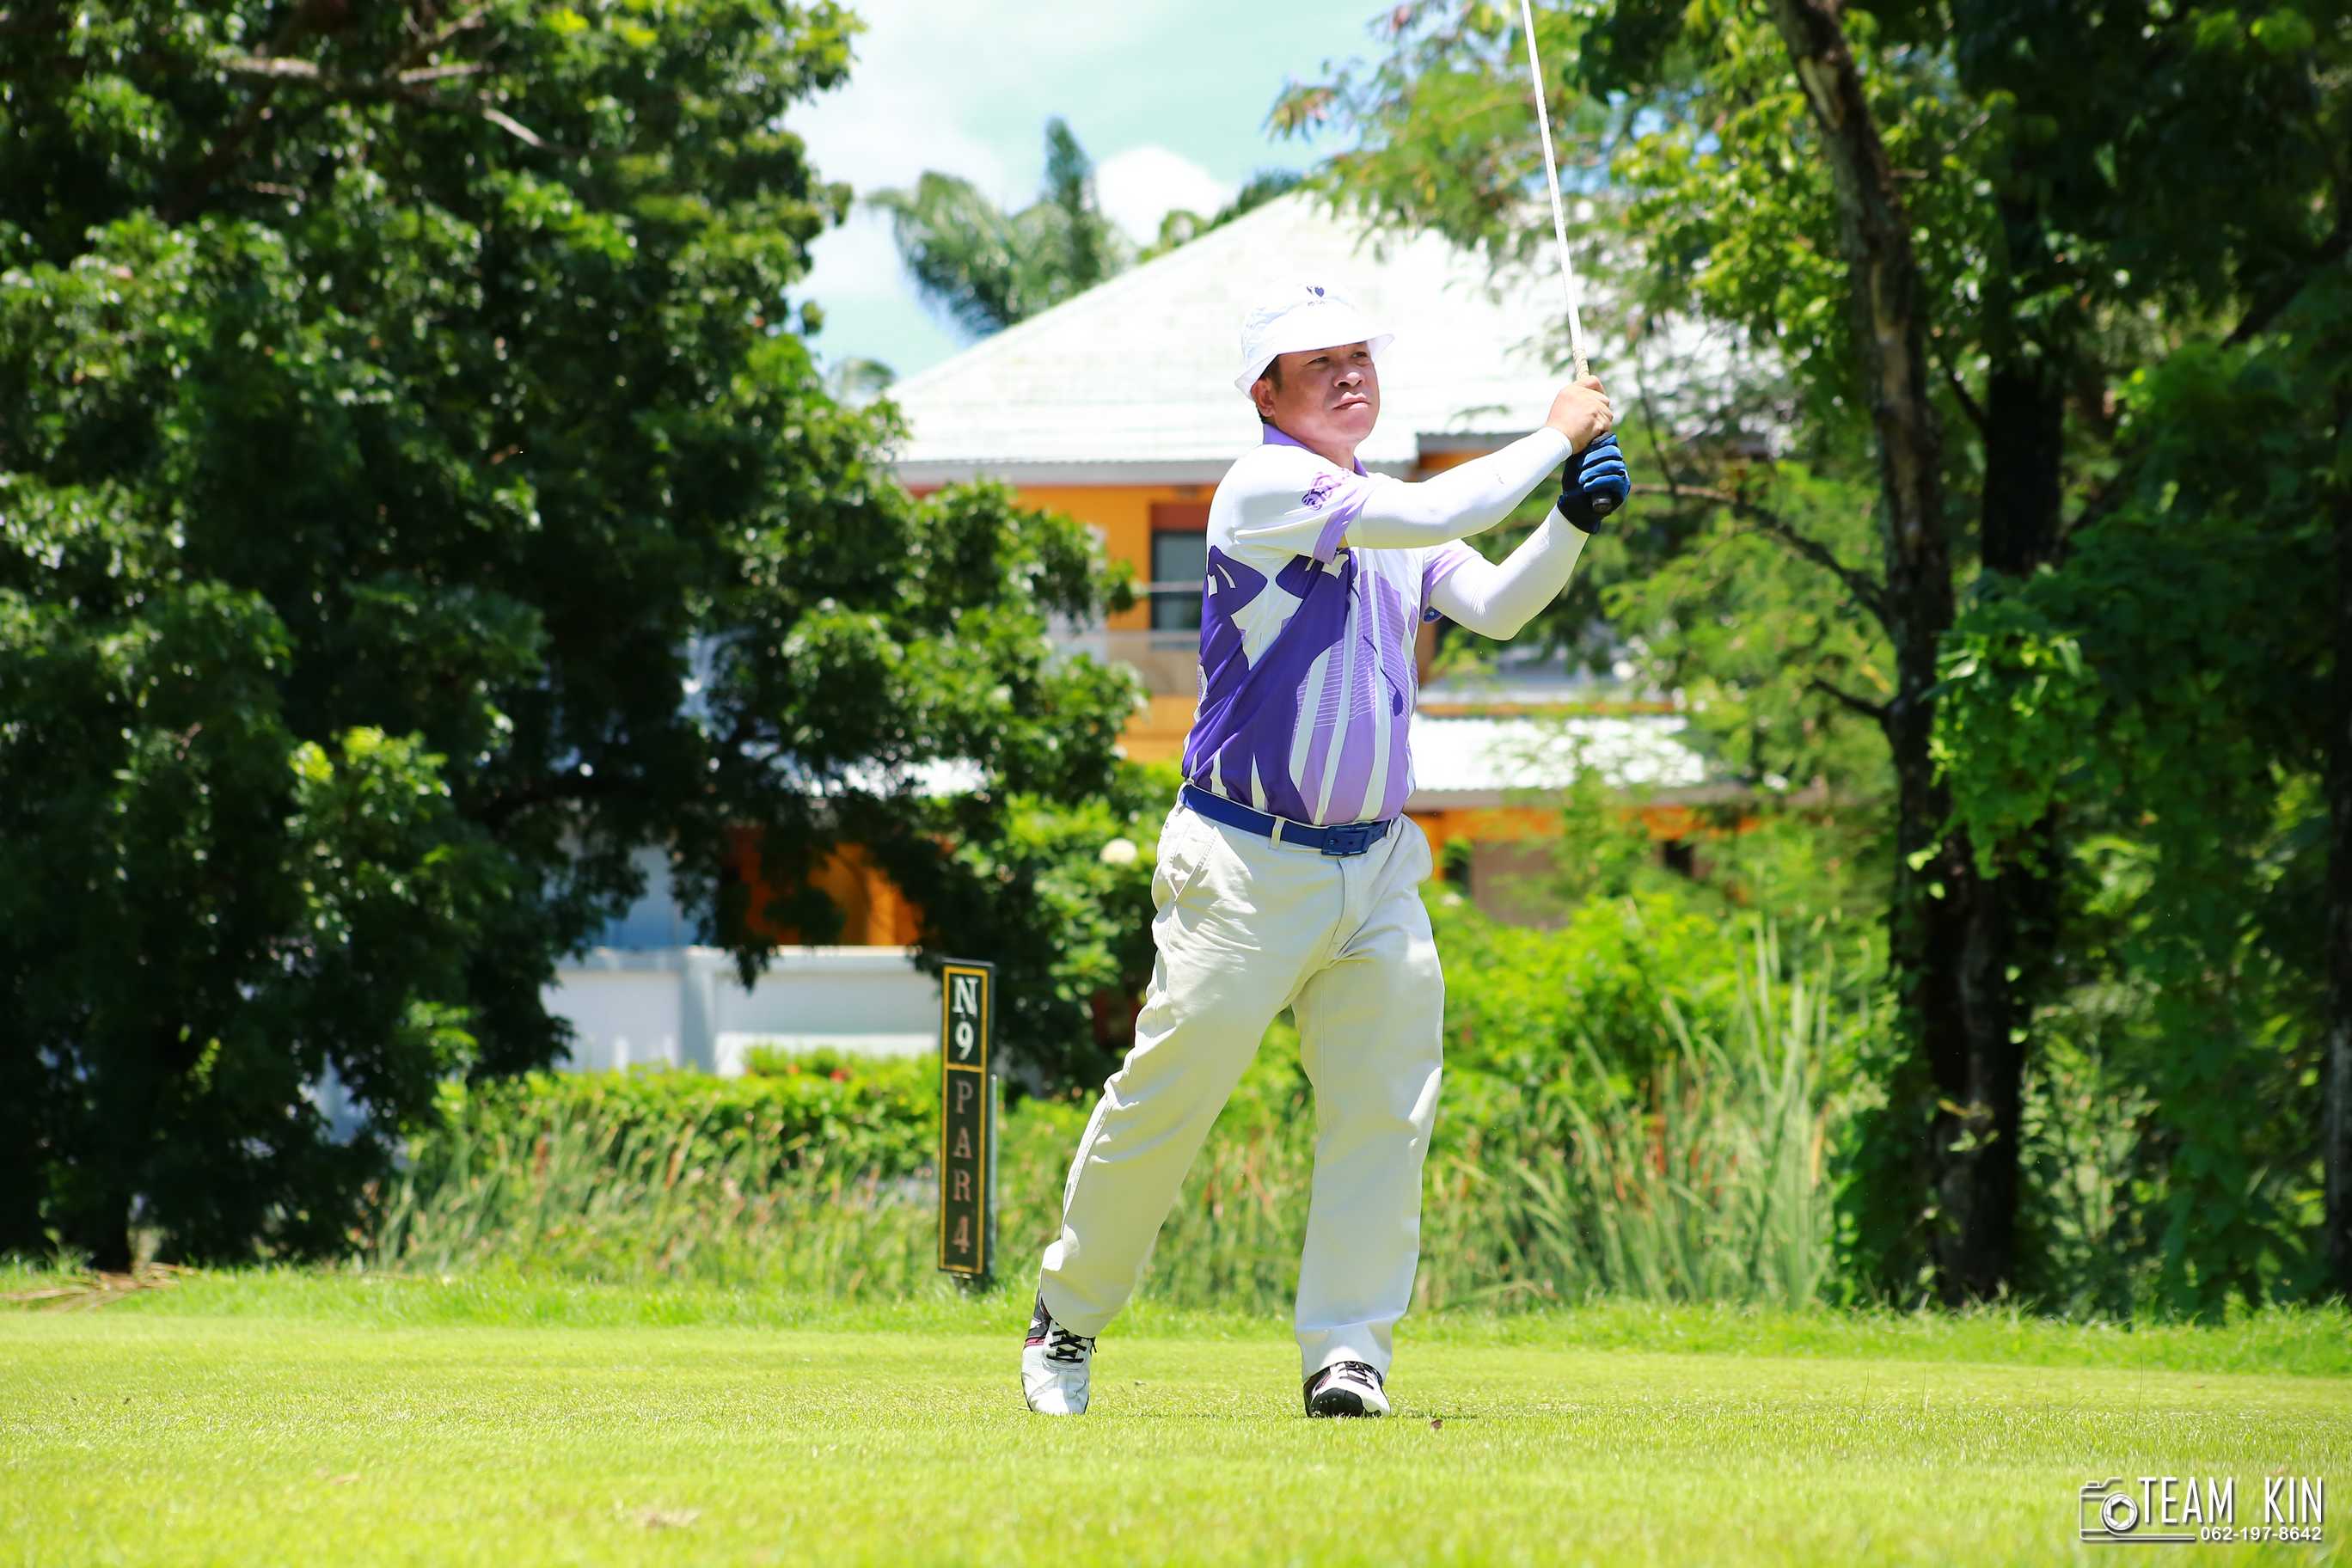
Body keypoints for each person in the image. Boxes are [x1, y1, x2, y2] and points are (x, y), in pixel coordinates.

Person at [1021, 279, 1629, 1418]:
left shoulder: (1386, 510)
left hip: (1378, 866)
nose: (1351, 374)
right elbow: (1440, 512)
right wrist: (1558, 434)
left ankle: (1348, 1353)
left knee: (1385, 1111)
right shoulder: (1264, 488)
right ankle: (1070, 1315)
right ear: (1267, 395)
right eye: (1318, 364)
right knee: (1168, 1102)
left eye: (1360, 357)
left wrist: (1571, 525)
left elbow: (1497, 605)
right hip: (1243, 864)